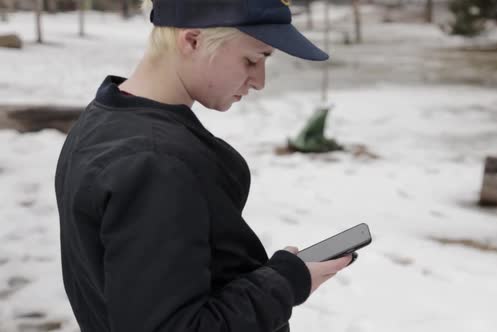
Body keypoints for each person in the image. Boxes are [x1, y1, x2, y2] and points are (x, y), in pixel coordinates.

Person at [54, 0, 353, 331]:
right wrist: (285, 283)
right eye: (252, 59)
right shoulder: (154, 164)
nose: (259, 81)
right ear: (192, 41)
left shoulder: (106, 118)